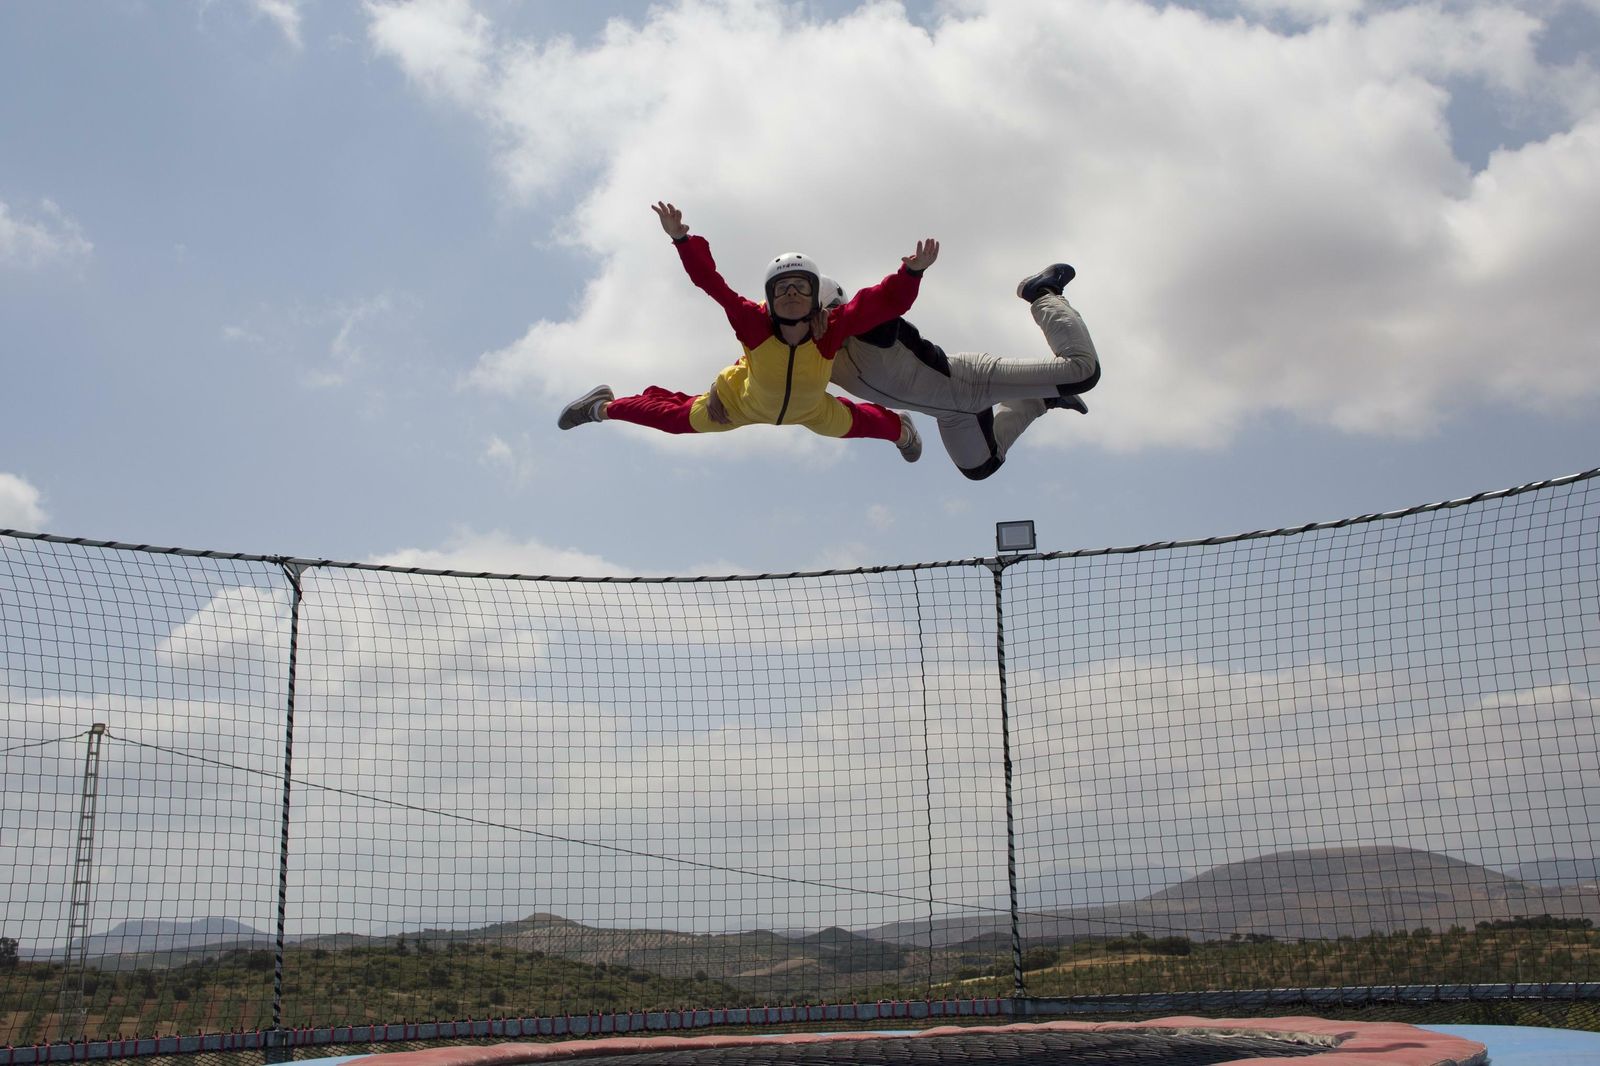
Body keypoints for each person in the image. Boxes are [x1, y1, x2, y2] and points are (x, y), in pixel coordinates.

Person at [558, 202, 937, 462]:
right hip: (741, 404)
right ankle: (602, 406)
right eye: (782, 289)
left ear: (816, 299)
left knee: (864, 425)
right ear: (768, 298)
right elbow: (711, 282)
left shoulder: (830, 328)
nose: (792, 294)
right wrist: (682, 241)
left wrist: (911, 273)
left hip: (810, 409)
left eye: (801, 287)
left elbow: (882, 302)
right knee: (674, 419)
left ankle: (903, 430)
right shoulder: (752, 321)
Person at [821, 263, 1100, 479]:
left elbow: (884, 301)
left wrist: (911, 272)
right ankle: (1042, 399)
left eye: (824, 313)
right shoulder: (821, 360)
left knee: (1082, 372)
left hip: (970, 380)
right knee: (980, 467)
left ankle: (1042, 292)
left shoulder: (868, 326)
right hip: (951, 413)